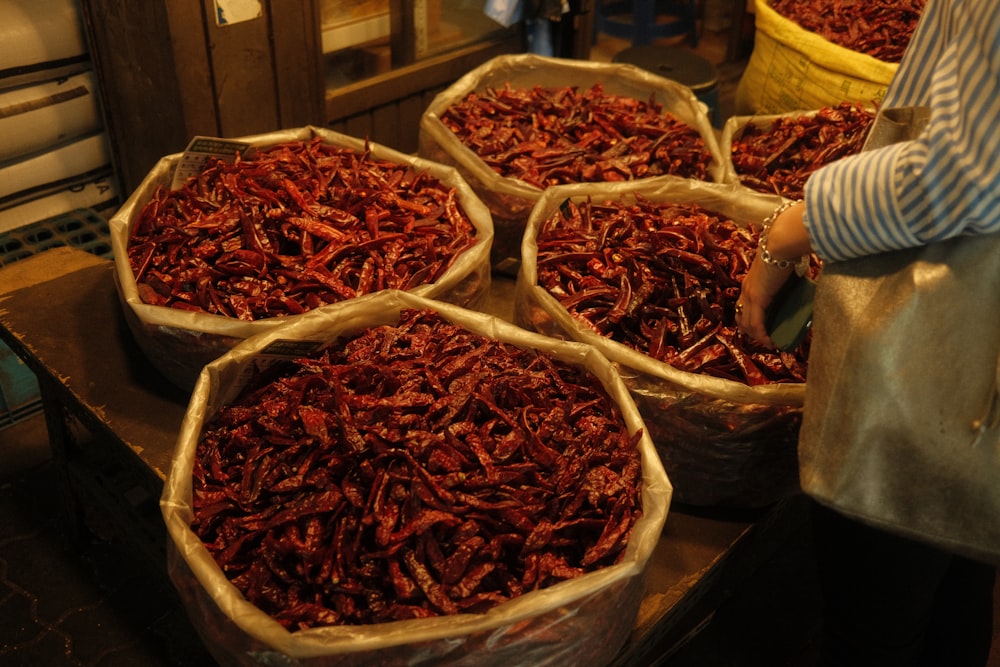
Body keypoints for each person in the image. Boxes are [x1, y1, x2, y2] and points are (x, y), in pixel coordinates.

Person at [735, 1, 1000, 665]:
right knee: (957, 577)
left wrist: (795, 226)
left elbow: (959, 174)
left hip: (939, 363)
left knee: (879, 617)